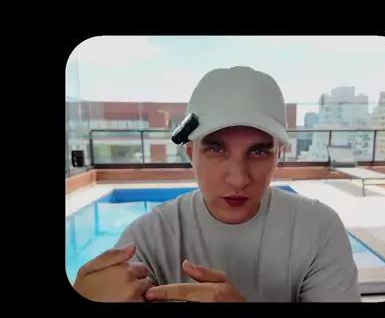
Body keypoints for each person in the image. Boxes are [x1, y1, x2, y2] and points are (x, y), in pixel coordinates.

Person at [73, 66, 361, 302]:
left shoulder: (318, 230)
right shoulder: (149, 238)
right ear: (190, 154)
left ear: (279, 156)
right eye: (216, 149)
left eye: (258, 152)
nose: (238, 179)